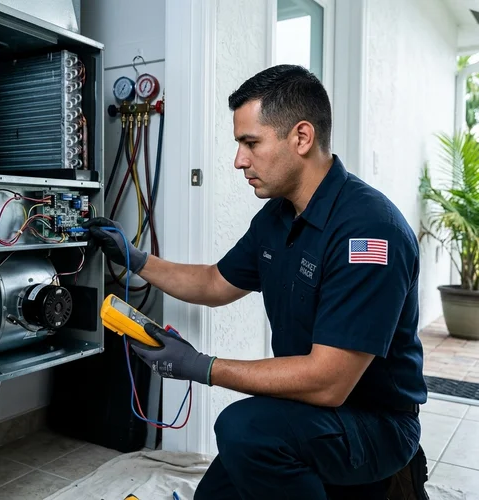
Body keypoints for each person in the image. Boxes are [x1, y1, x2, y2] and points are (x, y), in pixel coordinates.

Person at [83, 65, 429, 500]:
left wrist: (202, 367)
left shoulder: (369, 231)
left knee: (243, 428)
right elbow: (213, 282)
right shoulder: (278, 217)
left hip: (375, 423)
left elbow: (328, 381)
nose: (239, 160)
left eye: (251, 143)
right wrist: (136, 260)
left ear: (301, 138)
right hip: (309, 412)